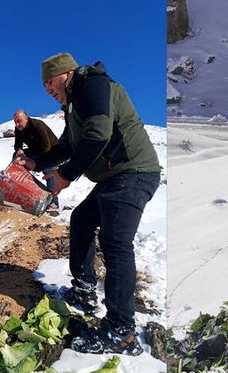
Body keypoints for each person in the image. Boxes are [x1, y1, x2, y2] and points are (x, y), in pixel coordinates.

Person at [17, 53, 161, 355]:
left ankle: (122, 332)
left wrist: (66, 176)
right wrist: (35, 162)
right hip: (114, 177)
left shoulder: (93, 86)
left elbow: (98, 135)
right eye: (43, 83)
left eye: (49, 81)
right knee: (82, 220)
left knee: (115, 241)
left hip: (134, 171)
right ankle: (84, 292)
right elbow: (68, 145)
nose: (46, 88)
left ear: (65, 74)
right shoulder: (73, 103)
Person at [12, 110, 59, 209]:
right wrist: (19, 150)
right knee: (16, 155)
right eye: (15, 122)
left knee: (49, 172)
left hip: (51, 150)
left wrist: (36, 161)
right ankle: (13, 182)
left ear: (26, 118)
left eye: (19, 121)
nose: (17, 124)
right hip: (36, 149)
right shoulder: (18, 128)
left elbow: (46, 145)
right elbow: (18, 144)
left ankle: (53, 202)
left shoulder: (37, 125)